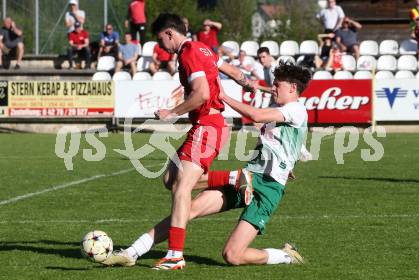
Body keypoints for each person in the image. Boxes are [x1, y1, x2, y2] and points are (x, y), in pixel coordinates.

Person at [102, 61, 310, 268]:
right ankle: (132, 252)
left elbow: (256, 115)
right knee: (186, 208)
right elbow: (288, 143)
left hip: (268, 188)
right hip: (250, 177)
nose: (273, 88)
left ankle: (285, 256)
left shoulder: (296, 110)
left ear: (293, 88)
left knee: (232, 256)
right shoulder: (286, 111)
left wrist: (224, 97)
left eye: (278, 85)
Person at [103, 13, 260, 270]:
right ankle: (233, 178)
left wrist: (171, 112)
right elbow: (230, 70)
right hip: (205, 126)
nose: (160, 46)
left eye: (160, 40)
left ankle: (175, 255)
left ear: (169, 33)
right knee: (170, 179)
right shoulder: (202, 49)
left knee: (181, 189)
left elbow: (202, 94)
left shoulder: (189, 53)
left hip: (208, 127)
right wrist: (248, 82)